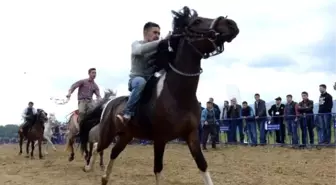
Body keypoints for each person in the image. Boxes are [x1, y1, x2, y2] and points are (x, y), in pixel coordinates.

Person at [116, 22, 162, 125]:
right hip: (136, 80)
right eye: (155, 32)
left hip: (151, 80)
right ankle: (126, 113)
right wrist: (161, 42)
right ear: (145, 33)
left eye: (159, 33)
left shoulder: (158, 49)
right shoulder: (136, 44)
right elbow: (140, 50)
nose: (157, 36)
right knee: (141, 82)